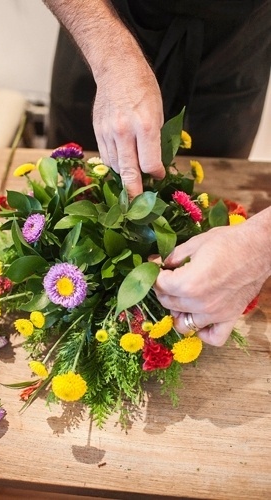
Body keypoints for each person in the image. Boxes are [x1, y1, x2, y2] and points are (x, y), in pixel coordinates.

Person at [44, 0, 271, 346]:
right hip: (99, 23)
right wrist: (110, 58)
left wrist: (261, 246)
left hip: (234, 52)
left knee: (213, 190)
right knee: (73, 190)